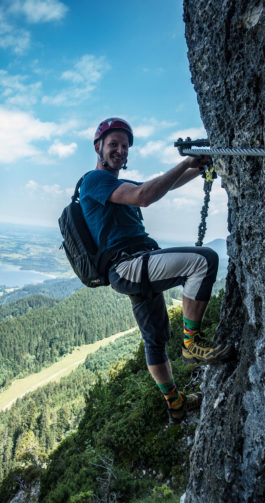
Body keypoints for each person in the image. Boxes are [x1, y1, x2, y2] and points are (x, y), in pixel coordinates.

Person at [79, 117, 232, 424]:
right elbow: (144, 196)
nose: (120, 151)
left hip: (132, 269)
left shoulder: (115, 185)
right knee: (203, 261)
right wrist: (188, 161)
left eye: (124, 146)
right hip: (129, 266)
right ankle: (192, 342)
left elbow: (164, 184)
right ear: (98, 147)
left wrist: (195, 167)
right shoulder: (94, 181)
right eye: (113, 145)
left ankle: (175, 403)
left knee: (155, 341)